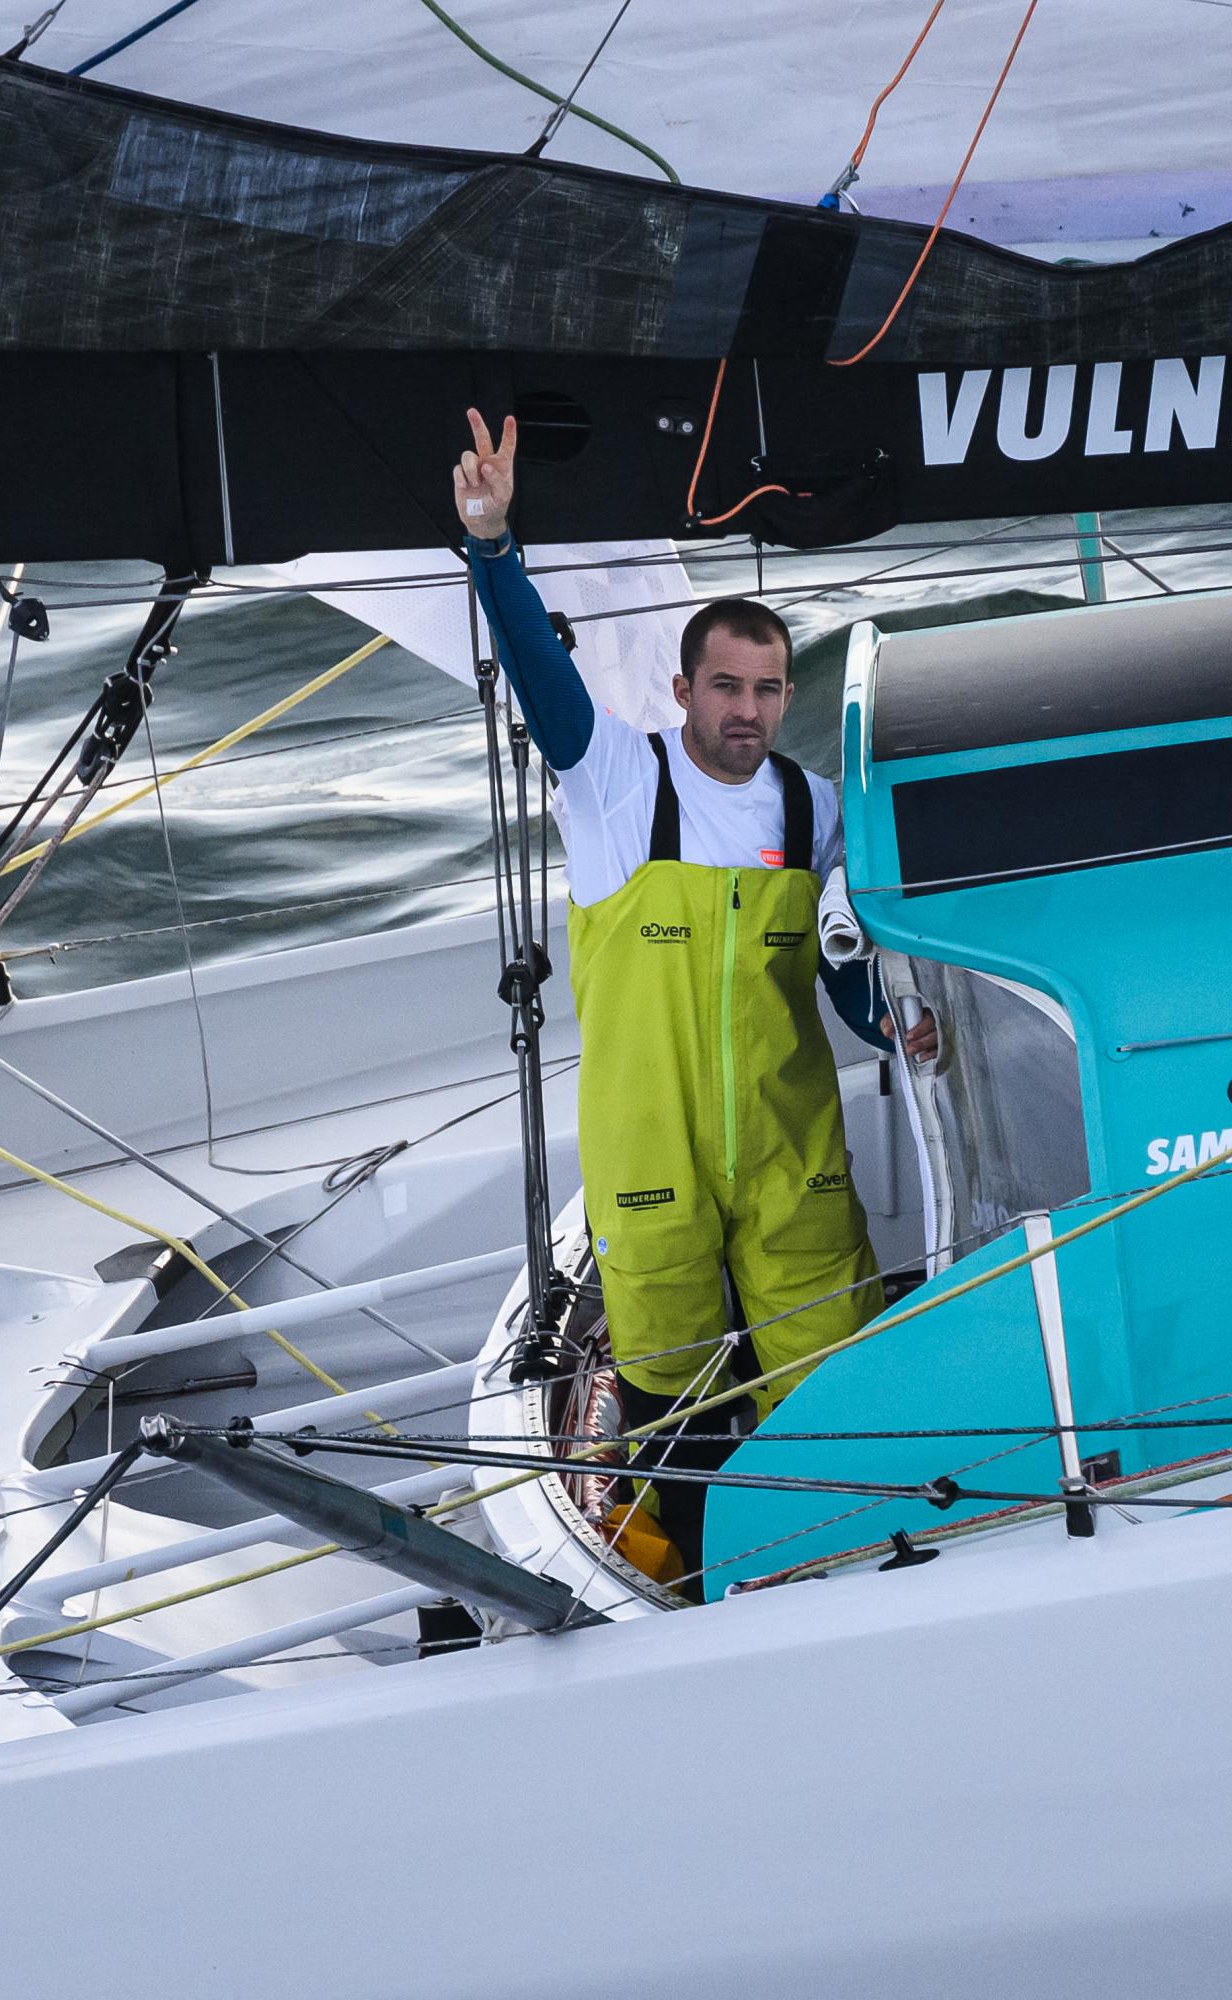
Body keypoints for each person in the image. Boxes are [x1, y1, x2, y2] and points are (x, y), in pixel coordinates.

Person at [454, 408, 931, 1578]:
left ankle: (846, 1557)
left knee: (828, 1380)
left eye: (768, 688)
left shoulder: (817, 808)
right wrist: (492, 547)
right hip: (650, 1151)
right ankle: (706, 1572)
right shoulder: (615, 779)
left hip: (787, 1148)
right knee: (672, 1396)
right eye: (726, 686)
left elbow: (848, 963)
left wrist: (897, 1024)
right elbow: (540, 676)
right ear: (682, 688)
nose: (749, 710)